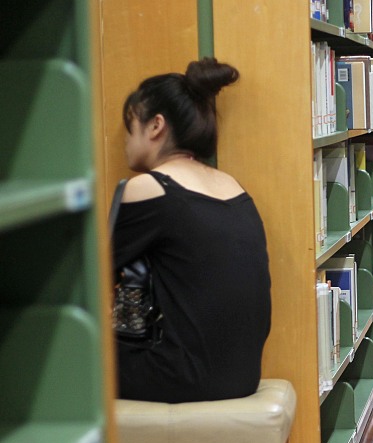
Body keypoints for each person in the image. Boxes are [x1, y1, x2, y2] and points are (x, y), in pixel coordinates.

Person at [112, 57, 271, 403]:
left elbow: (93, 274)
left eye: (129, 127)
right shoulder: (232, 186)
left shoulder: (150, 188)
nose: (125, 141)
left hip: (182, 376)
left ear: (156, 126)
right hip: (242, 375)